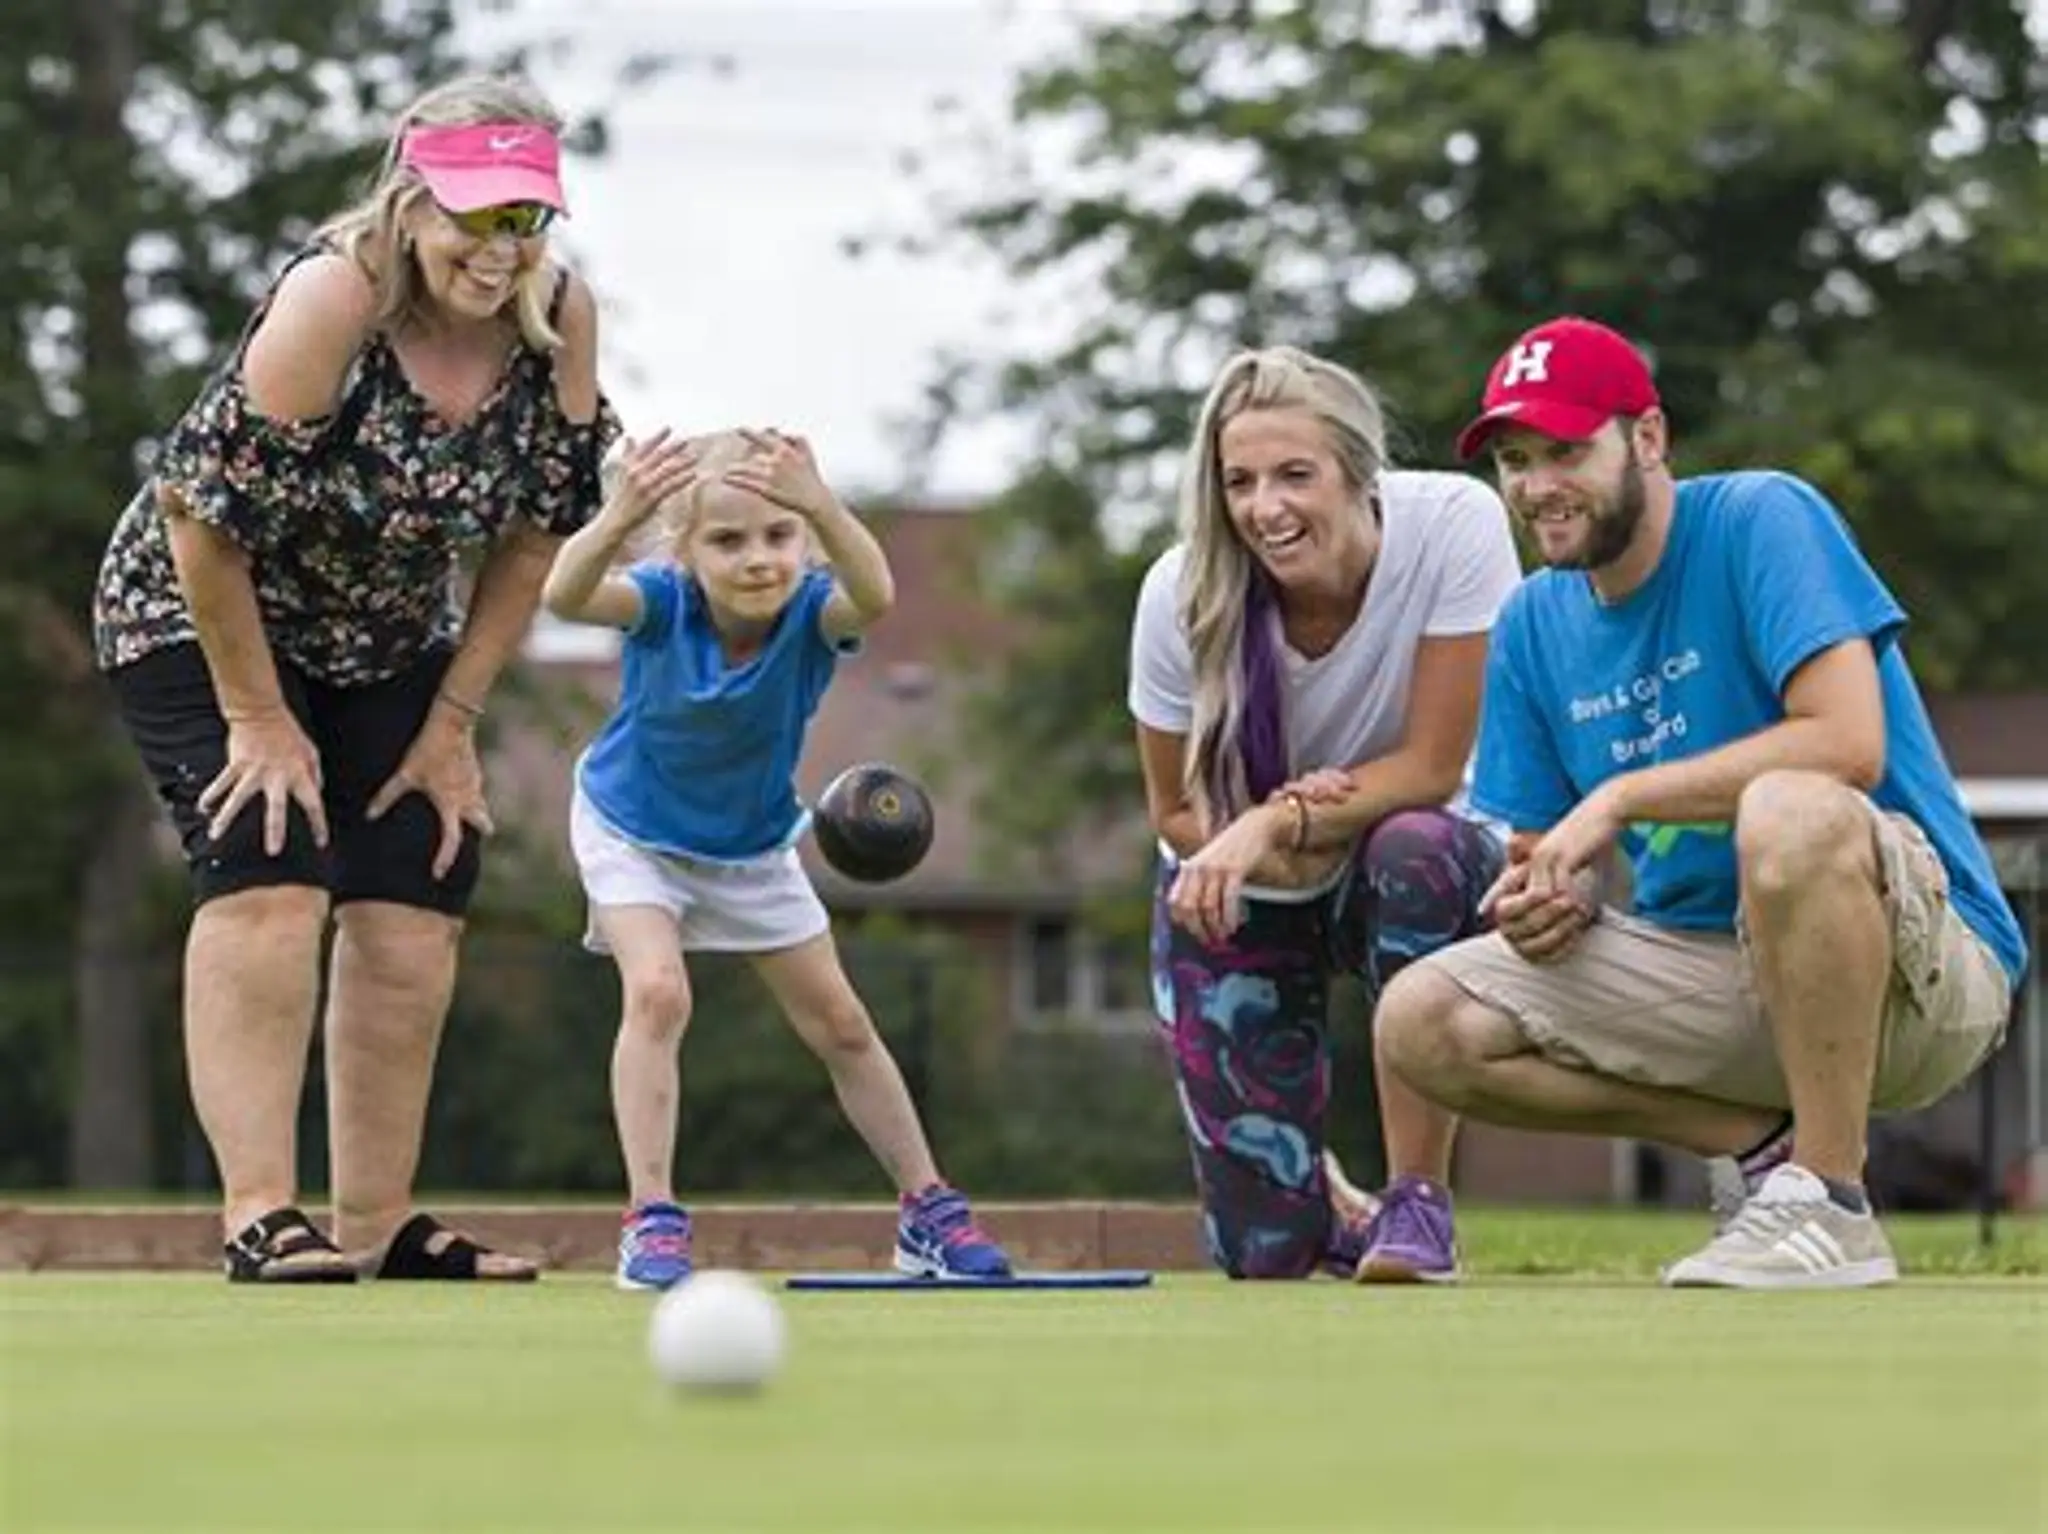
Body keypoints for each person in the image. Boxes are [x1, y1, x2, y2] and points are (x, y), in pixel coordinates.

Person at [91, 74, 619, 1282]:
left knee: (419, 876)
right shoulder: (332, 299)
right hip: (198, 610)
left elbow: (537, 532)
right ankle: (260, 1213)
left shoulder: (557, 319)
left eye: (525, 218)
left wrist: (453, 723)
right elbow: (200, 517)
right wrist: (257, 718)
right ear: (410, 196)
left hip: (380, 635)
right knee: (271, 856)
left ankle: (379, 1224)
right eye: (476, 216)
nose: (501, 250)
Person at [1374, 315, 2028, 1289]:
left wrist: (1620, 795)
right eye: (1513, 459)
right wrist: (1549, 897)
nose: (1535, 484)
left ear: (1646, 438)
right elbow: (1541, 853)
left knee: (1787, 808)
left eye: (1564, 449)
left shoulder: (1762, 516)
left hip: (1923, 976)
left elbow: (1846, 743)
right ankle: (1763, 1150)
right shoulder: (1527, 623)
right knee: (1419, 1019)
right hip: (1716, 980)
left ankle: (1833, 1201)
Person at [540, 427, 1014, 1290]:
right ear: (685, 551)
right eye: (727, 540)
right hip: (630, 829)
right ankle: (651, 1219)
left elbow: (874, 590)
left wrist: (822, 502)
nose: (759, 558)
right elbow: (567, 595)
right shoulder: (660, 602)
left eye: (778, 535)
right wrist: (616, 519)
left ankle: (928, 1212)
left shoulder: (812, 613)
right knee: (656, 990)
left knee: (841, 1024)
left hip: (752, 846)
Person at [1127, 345, 1525, 1280]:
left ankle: (1417, 1203)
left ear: (1358, 470)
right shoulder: (1179, 593)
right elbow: (1178, 807)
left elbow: (1431, 768)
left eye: (1295, 475)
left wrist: (1279, 821)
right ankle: (1330, 1213)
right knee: (1264, 1255)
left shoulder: (1455, 526)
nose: (1266, 507)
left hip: (1406, 853)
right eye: (1241, 481)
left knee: (1412, 849)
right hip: (1249, 887)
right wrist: (1267, 855)